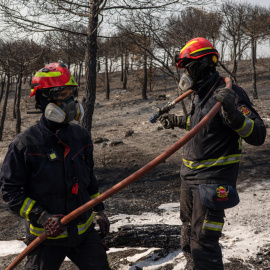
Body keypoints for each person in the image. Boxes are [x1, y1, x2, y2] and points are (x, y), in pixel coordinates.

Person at [158, 37, 266, 270]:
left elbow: (258, 135)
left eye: (188, 67)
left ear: (202, 65)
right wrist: (178, 121)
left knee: (204, 244)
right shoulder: (201, 94)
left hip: (212, 182)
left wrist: (233, 113)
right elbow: (205, 125)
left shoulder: (230, 95)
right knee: (188, 236)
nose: (185, 73)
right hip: (189, 177)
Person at [0, 62, 111, 270]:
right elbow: (10, 191)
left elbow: (90, 180)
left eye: (71, 94)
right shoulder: (25, 144)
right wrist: (41, 216)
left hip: (83, 233)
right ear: (43, 99)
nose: (69, 101)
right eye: (61, 95)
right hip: (47, 236)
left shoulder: (81, 136)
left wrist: (99, 210)